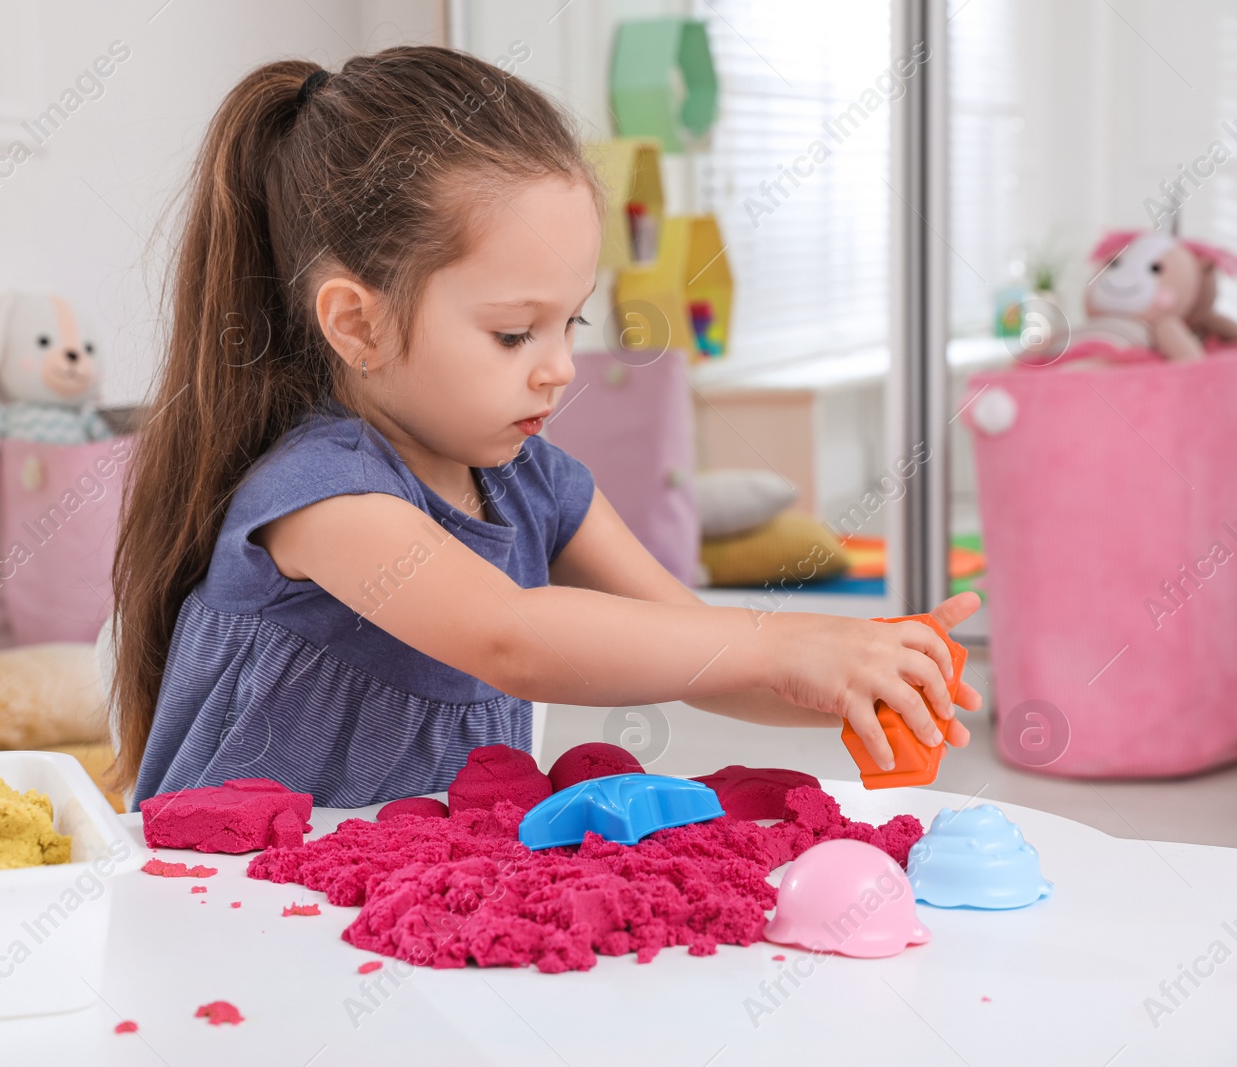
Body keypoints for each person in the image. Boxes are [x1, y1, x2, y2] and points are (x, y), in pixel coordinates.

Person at [108, 45, 980, 811]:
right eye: (515, 332)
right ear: (358, 324)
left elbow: (693, 646)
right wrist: (788, 641)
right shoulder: (320, 496)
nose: (560, 366)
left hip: (398, 912)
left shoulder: (537, 485)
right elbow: (511, 637)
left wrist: (862, 670)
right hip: (233, 915)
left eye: (574, 323)